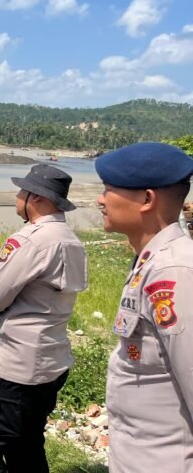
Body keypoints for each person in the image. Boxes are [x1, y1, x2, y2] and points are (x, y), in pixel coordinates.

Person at [0, 163, 88, 473]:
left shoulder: (32, 240)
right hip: (50, 362)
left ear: (37, 198)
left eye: (22, 191)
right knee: (26, 445)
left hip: (12, 368)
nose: (17, 196)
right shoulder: (72, 241)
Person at [94, 142, 193, 472]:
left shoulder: (175, 272)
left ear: (147, 200)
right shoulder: (151, 261)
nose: (100, 200)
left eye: (109, 190)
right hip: (137, 454)